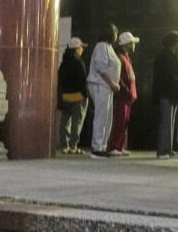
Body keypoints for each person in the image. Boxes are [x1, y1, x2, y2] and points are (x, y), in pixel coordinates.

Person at [152, 31, 178, 159]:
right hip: (166, 94)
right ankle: (163, 151)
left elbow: (177, 73)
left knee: (171, 123)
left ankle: (169, 149)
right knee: (166, 123)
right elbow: (168, 76)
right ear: (174, 43)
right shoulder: (164, 57)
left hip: (171, 94)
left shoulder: (171, 56)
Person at [87, 24, 121, 159]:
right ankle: (96, 147)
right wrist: (112, 83)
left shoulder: (109, 47)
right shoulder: (101, 46)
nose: (116, 35)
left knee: (107, 118)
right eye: (115, 32)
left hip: (108, 87)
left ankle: (102, 146)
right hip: (101, 85)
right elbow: (101, 68)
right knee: (101, 117)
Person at [107, 31, 139, 157]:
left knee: (124, 122)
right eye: (132, 43)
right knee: (119, 122)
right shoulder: (120, 58)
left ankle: (119, 146)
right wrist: (126, 91)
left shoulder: (126, 58)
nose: (134, 46)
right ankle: (114, 146)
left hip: (128, 97)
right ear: (127, 44)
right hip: (123, 97)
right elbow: (118, 77)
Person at [57, 37, 89, 154]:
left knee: (65, 121)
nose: (82, 50)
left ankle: (64, 145)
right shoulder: (79, 63)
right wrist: (86, 95)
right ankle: (73, 146)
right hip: (78, 97)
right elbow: (83, 81)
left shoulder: (63, 64)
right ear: (76, 49)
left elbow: (60, 80)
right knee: (77, 123)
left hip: (66, 97)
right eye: (81, 48)